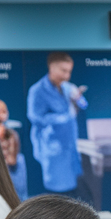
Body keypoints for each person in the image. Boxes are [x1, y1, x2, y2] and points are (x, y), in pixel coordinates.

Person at [27, 52, 89, 198]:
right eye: (63, 71)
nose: (67, 76)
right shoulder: (37, 90)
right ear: (51, 68)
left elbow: (83, 104)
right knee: (57, 194)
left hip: (69, 146)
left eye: (69, 71)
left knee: (73, 191)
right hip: (52, 147)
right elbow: (35, 117)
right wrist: (65, 117)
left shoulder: (67, 87)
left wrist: (78, 97)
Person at [0, 98, 27, 202]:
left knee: (18, 191)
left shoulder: (13, 128)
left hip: (15, 166)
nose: (1, 115)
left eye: (4, 111)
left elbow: (14, 150)